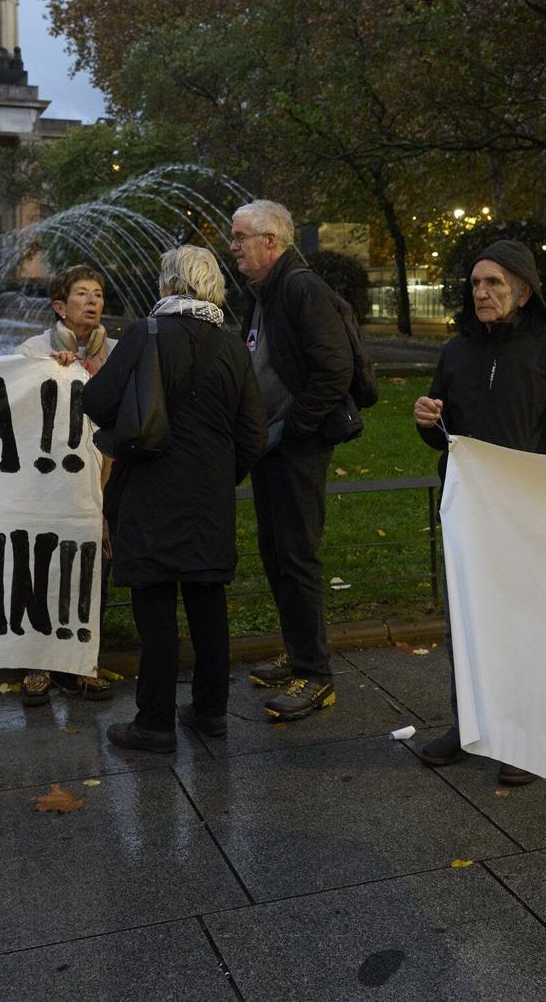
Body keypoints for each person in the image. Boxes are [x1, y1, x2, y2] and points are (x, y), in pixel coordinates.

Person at [411, 239, 546, 785]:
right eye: (476, 283)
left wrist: (531, 477)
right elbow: (446, 434)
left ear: (522, 291)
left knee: (525, 628)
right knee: (467, 623)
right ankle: (470, 727)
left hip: (528, 519)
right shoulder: (456, 352)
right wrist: (428, 420)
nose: (482, 292)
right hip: (469, 513)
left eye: (494, 282)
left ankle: (526, 740)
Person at [88, 246, 266, 753]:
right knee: (209, 605)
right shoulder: (232, 346)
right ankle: (211, 713)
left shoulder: (145, 334)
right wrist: (219, 475)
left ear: (169, 284)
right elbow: (254, 434)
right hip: (209, 499)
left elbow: (97, 401)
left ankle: (154, 723)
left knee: (155, 609)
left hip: (149, 492)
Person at [228, 199, 355, 722]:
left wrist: (294, 429)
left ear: (271, 241)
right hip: (271, 446)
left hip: (295, 447)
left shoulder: (301, 288)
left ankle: (316, 676)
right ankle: (298, 650)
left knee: (298, 557)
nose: (232, 247)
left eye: (240, 237)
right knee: (276, 552)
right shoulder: (264, 292)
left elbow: (335, 370)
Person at [15, 265, 115, 705]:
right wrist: (48, 375)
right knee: (44, 565)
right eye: (82, 294)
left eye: (98, 294)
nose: (92, 301)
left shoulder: (115, 352)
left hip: (100, 477)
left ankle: (81, 663)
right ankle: (37, 662)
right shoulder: (33, 351)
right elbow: (18, 412)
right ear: (60, 306)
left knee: (93, 570)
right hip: (47, 482)